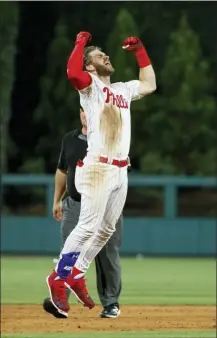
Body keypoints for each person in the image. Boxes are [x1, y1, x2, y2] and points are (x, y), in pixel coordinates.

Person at [45, 31, 156, 318]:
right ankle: (58, 277)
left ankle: (77, 272)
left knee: (106, 230)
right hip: (96, 166)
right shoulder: (90, 86)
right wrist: (80, 44)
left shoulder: (121, 89)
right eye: (98, 56)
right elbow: (72, 73)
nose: (105, 56)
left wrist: (140, 52)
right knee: (87, 226)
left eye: (103, 53)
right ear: (90, 67)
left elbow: (149, 84)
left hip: (120, 170)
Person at [43, 107, 123, 319]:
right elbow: (62, 170)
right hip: (76, 203)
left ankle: (110, 303)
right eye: (82, 110)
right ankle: (60, 301)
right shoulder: (70, 139)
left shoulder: (111, 137)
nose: (86, 114)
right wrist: (57, 200)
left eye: (90, 110)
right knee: (70, 249)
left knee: (107, 254)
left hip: (104, 204)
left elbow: (120, 172)